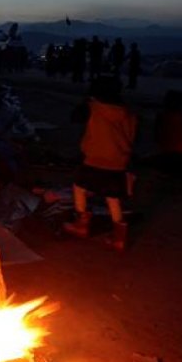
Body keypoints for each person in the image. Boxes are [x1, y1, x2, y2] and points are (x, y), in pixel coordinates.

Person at [63, 76, 137, 252]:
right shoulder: (128, 113)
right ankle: (119, 238)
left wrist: (86, 101)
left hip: (95, 159)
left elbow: (75, 117)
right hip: (118, 161)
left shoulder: (93, 108)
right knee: (113, 197)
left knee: (79, 187)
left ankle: (81, 224)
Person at [153, 90, 182, 177]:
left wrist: (157, 138)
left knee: (169, 162)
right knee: (174, 163)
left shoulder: (163, 114)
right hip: (177, 144)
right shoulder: (181, 115)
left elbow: (157, 128)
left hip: (169, 143)